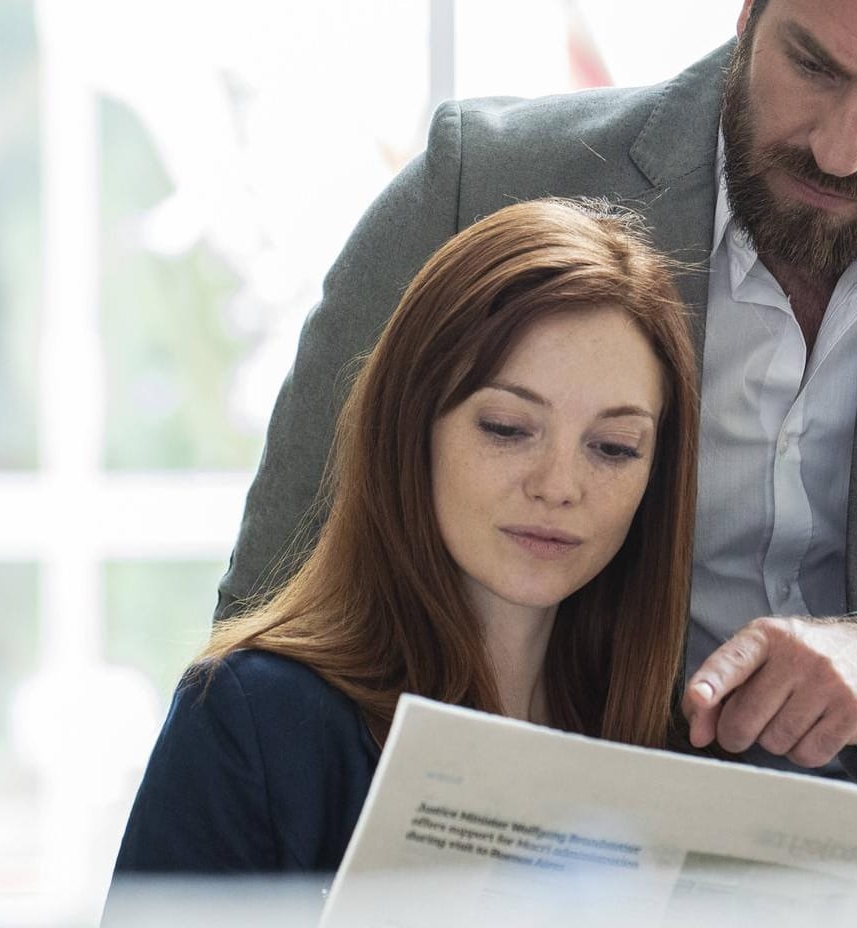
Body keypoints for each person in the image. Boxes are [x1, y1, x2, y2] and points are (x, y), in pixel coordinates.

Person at [218, 0, 857, 799]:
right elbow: (285, 578)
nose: (841, 148)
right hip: (519, 798)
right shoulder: (484, 185)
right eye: (812, 66)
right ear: (747, 15)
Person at [109, 198, 700, 876]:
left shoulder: (672, 749)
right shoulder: (253, 722)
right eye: (508, 429)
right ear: (412, 426)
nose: (559, 485)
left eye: (614, 447)